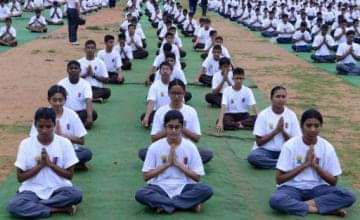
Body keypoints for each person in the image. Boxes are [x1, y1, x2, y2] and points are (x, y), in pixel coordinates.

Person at [269, 109, 356, 217]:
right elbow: (279, 179)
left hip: (317, 189)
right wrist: (305, 165)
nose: (312, 129)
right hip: (292, 188)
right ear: (301, 126)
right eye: (308, 125)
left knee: (349, 196)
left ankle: (300, 206)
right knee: (276, 200)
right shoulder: (290, 145)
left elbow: (333, 181)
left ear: (321, 126)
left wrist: (315, 166)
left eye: (316, 126)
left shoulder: (327, 147)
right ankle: (327, 209)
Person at [7, 107, 83, 218]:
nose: (44, 130)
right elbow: (20, 178)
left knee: (76, 194)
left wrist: (50, 164)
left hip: (58, 189)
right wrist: (40, 166)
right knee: (13, 206)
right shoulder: (26, 144)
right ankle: (57, 209)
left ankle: (36, 206)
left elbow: (70, 175)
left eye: (48, 126)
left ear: (54, 125)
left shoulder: (64, 143)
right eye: (40, 126)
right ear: (35, 125)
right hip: (32, 190)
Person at [135, 110, 213, 214]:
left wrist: (178, 164)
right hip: (160, 187)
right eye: (170, 127)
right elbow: (146, 176)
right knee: (141, 194)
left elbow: (197, 177)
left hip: (184, 186)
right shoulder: (155, 147)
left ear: (182, 128)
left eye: (177, 127)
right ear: (165, 127)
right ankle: (188, 205)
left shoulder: (190, 147)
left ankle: (165, 205)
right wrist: (167, 164)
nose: (174, 130)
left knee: (206, 190)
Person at [139, 79, 214, 164]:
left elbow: (196, 138)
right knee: (143, 152)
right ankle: (178, 162)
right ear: (168, 93)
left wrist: (181, 128)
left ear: (184, 93)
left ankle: (170, 162)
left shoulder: (191, 111)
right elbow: (153, 138)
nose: (176, 96)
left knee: (207, 154)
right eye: (173, 93)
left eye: (179, 93)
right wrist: (169, 128)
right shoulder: (160, 111)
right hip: (165, 148)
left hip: (184, 148)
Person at [30, 85, 93, 170]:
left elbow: (81, 140)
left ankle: (55, 163)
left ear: (65, 100)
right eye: (54, 100)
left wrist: (63, 136)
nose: (57, 103)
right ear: (49, 100)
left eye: (60, 100)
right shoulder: (42, 114)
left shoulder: (72, 114)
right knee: (35, 154)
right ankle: (66, 165)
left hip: (67, 152)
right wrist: (51, 136)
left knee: (87, 153)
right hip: (47, 151)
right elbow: (33, 139)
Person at [247, 86, 301, 169]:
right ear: (271, 98)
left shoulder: (291, 115)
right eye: (278, 96)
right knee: (253, 157)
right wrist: (275, 131)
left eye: (283, 97)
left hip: (285, 151)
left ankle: (281, 163)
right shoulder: (263, 115)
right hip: (265, 150)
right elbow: (259, 142)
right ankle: (283, 165)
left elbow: (295, 143)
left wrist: (283, 131)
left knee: (301, 157)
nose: (281, 99)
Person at [58, 60, 97, 129]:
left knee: (93, 114)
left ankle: (71, 125)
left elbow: (88, 101)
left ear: (80, 70)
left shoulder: (86, 84)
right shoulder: (61, 84)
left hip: (80, 113)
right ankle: (77, 125)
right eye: (71, 68)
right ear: (67, 70)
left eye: (76, 68)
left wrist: (89, 117)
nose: (73, 70)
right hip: (66, 112)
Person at [141, 62, 172, 128]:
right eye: (163, 69)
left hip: (172, 112)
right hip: (158, 112)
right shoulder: (155, 85)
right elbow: (151, 102)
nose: (165, 71)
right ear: (160, 72)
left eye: (167, 69)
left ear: (171, 72)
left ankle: (162, 124)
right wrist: (147, 117)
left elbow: (181, 102)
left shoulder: (175, 85)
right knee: (144, 117)